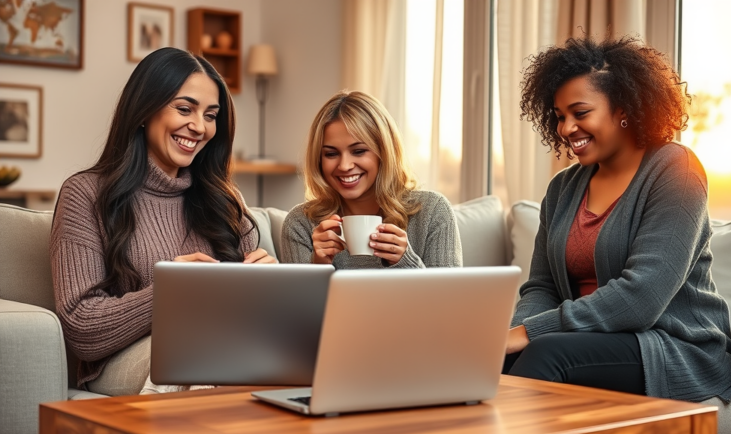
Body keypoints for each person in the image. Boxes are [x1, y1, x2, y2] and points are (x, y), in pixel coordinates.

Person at [503, 36, 731, 403]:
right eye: (560, 117)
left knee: (545, 356)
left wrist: (531, 334)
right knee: (490, 361)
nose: (566, 129)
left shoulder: (676, 170)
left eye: (580, 113)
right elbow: (541, 286)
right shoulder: (563, 188)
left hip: (669, 346)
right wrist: (514, 334)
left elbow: (641, 296)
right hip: (581, 341)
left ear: (624, 108)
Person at [49, 47, 276, 395]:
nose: (199, 127)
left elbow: (253, 318)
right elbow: (80, 327)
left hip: (222, 345)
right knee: (204, 355)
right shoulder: (86, 193)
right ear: (144, 110)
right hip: (127, 355)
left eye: (211, 115)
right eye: (184, 109)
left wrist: (269, 286)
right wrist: (173, 292)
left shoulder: (223, 200)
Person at [281, 90, 462, 269]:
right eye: (331, 153)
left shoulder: (433, 213)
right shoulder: (300, 224)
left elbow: (450, 298)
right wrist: (317, 266)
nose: (344, 165)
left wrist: (406, 263)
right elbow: (299, 299)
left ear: (383, 152)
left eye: (359, 151)